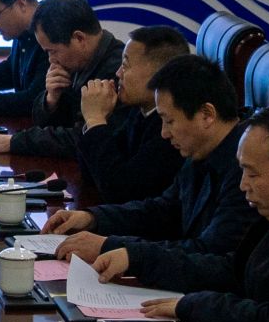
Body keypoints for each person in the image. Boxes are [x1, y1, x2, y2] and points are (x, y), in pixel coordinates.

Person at [92, 101, 269, 322]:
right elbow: (232, 271)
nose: (243, 185)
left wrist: (193, 306)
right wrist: (138, 257)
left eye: (252, 174)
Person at [45, 54, 253, 264]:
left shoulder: (247, 171)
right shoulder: (201, 150)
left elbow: (210, 252)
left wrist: (113, 248)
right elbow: (163, 211)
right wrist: (93, 218)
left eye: (169, 121)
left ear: (207, 115)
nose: (164, 133)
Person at [65, 25, 191, 203]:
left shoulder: (169, 129)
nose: (118, 74)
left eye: (125, 66)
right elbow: (92, 175)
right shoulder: (140, 112)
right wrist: (94, 121)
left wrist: (95, 120)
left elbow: (121, 192)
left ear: (158, 74)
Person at [0, 0, 125, 158]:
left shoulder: (116, 72)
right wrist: (51, 100)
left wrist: (14, 142)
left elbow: (83, 139)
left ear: (79, 38)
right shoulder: (78, 62)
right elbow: (49, 123)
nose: (51, 59)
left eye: (52, 51)